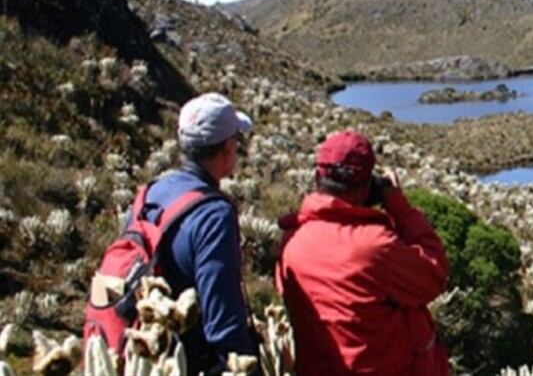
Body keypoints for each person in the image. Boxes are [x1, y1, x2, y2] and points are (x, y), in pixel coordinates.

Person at [276, 130, 450, 375]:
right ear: (367, 189)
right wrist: (399, 208)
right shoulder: (374, 246)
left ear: (317, 178)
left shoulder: (291, 242)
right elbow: (434, 274)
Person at [142, 92, 259, 375]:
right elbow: (223, 325)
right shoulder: (214, 216)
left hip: (147, 355)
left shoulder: (153, 191)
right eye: (236, 141)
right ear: (227, 148)